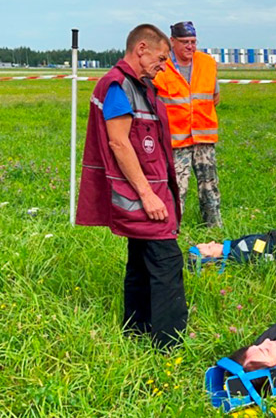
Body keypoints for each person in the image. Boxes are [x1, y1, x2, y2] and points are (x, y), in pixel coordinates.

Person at [76, 24, 186, 348]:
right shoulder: (118, 86)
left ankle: (136, 331)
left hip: (149, 188)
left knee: (140, 261)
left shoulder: (140, 86)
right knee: (166, 262)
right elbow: (119, 143)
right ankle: (169, 344)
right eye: (161, 59)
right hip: (140, 193)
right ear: (141, 49)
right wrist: (148, 195)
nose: (163, 66)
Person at [153, 21, 222, 228]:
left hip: (204, 137)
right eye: (185, 42)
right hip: (176, 140)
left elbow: (215, 97)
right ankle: (171, 229)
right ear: (172, 41)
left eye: (193, 42)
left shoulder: (207, 63)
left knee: (209, 186)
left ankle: (213, 227)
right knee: (176, 187)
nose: (190, 46)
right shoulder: (162, 65)